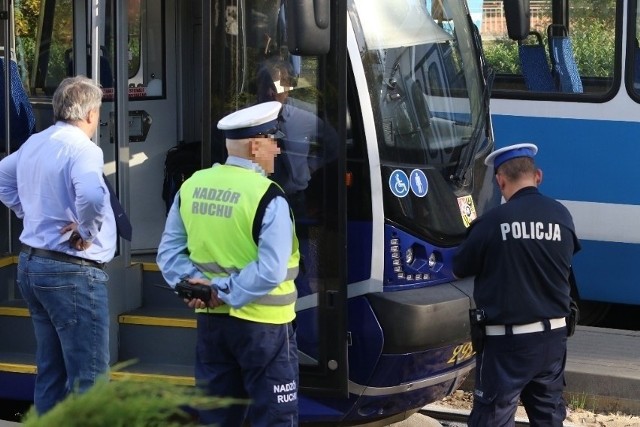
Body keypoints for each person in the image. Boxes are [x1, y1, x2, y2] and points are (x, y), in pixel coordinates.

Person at [156, 101, 301, 427]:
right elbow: (271, 269)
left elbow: (168, 254)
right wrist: (223, 290)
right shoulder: (267, 195)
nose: (278, 149)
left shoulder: (192, 186)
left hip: (213, 326)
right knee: (275, 418)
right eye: (274, 140)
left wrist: (197, 286)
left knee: (216, 416)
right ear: (255, 145)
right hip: (266, 327)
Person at [0, 75, 117, 414]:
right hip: (72, 272)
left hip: (32, 266)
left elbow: (2, 179)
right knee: (89, 378)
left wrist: (28, 212)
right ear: (91, 113)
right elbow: (94, 195)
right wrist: (87, 232)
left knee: (51, 373)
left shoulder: (35, 142)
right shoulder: (83, 149)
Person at [452, 143, 581, 426]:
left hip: (507, 345)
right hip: (553, 340)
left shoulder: (492, 222)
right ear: (538, 176)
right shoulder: (562, 216)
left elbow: (460, 267)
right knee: (548, 417)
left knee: (493, 418)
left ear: (500, 181)